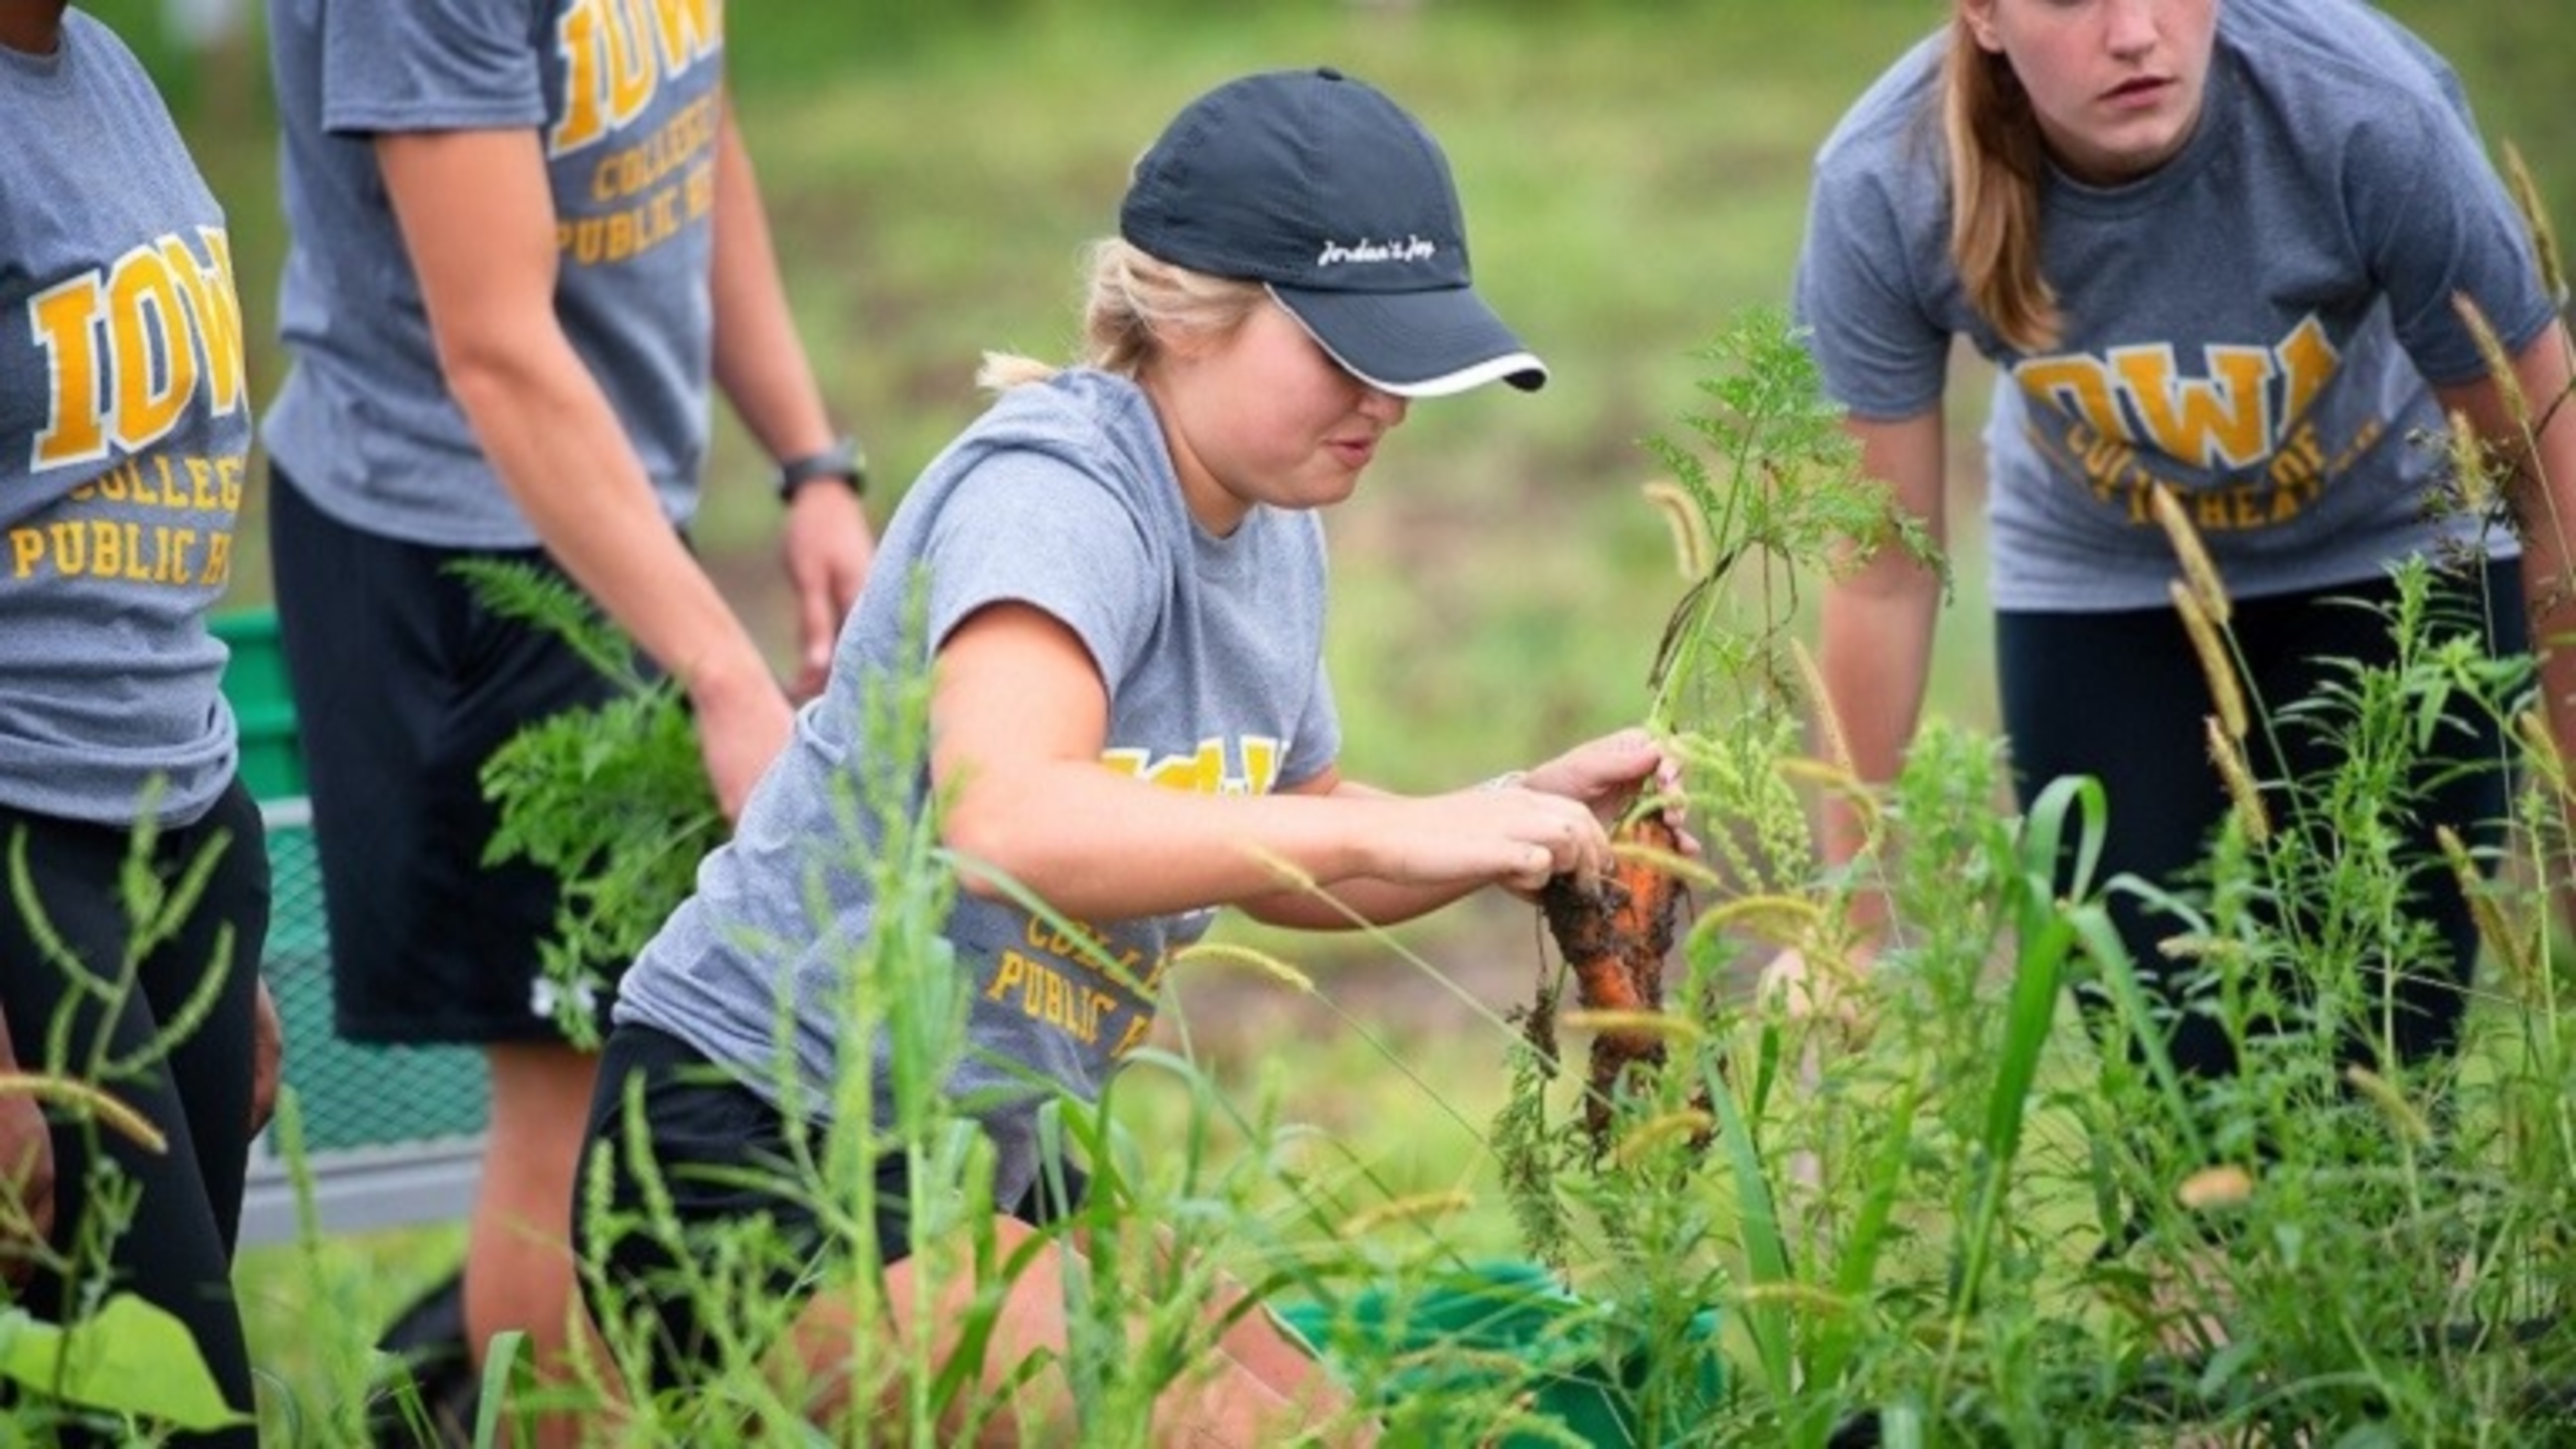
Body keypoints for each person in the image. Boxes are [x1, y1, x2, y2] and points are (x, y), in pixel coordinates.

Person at [574, 67, 1680, 1443]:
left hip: (990, 1148)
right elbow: (1009, 820)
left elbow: (1289, 828)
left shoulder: (1278, 524)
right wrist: (1396, 831)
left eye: (1412, 361)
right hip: (763, 1135)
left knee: (1328, 1418)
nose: (1387, 403)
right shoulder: (1056, 493)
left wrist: (1503, 820)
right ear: (1188, 313)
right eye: (1348, 352)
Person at [258, 0, 878, 1436]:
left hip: (598, 522)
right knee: (573, 1089)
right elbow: (495, 350)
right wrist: (724, 673)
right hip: (454, 549)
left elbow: (683, 122)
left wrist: (812, 458)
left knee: (635, 1059)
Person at [1784, 0, 2576, 1102]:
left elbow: (2549, 493)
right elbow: (1880, 572)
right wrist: (1851, 927)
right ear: (1984, 15)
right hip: (2108, 587)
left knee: (2375, 1075)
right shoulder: (1887, 182)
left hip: (2397, 560)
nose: (2135, 33)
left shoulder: (2364, 113)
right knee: (2174, 1084)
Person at [1, 2, 282, 1442]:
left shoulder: (100, 66)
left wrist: (217, 912)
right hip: (29, 850)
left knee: (113, 1397)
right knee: (181, 1415)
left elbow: (154, 502)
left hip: (179, 826)